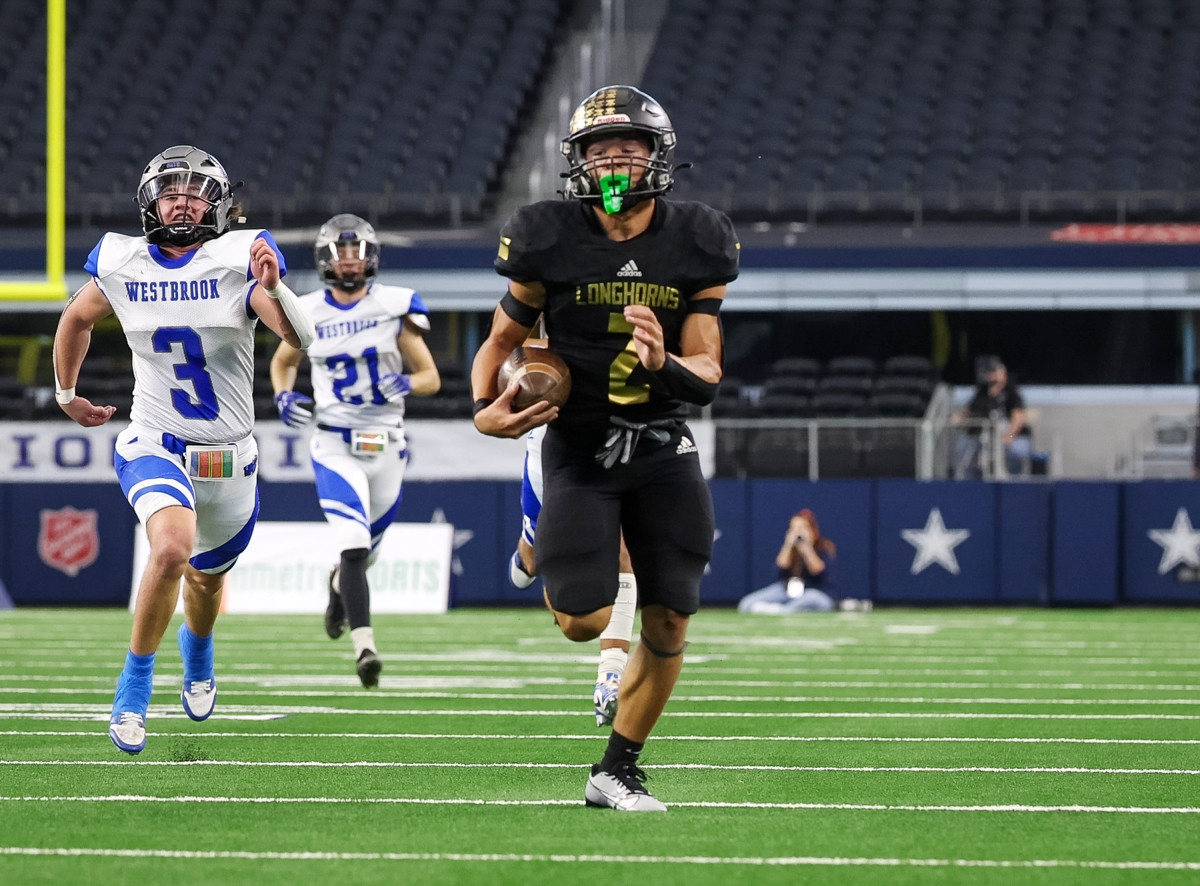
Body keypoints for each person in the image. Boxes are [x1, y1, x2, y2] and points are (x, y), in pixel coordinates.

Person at [471, 85, 739, 811]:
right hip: (579, 444)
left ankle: (617, 767)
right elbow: (499, 342)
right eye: (599, 147)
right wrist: (484, 410)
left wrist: (665, 365)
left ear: (658, 156)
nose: (613, 158)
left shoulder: (698, 238)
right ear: (577, 160)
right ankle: (537, 539)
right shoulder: (545, 234)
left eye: (628, 146)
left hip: (662, 443)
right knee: (583, 617)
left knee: (671, 615)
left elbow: (709, 370)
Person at [52, 145, 316, 754]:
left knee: (206, 582)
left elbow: (298, 337)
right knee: (171, 549)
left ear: (220, 204)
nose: (181, 199)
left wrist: (275, 286)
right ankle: (133, 689)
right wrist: (67, 393)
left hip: (230, 457)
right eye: (170, 189)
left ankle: (197, 652)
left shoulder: (235, 262)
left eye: (195, 190)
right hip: (154, 440)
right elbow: (75, 320)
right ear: (149, 201)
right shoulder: (122, 262)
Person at [269, 213, 440, 687]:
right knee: (354, 544)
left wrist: (404, 380)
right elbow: (283, 362)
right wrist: (283, 394)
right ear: (326, 260)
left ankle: (335, 587)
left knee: (365, 555)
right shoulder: (305, 310)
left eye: (356, 254)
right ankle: (365, 648)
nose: (348, 263)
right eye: (340, 254)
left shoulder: (394, 305)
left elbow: (430, 378)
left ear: (370, 259)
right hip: (334, 441)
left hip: (387, 444)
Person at [510, 422, 637, 726]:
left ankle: (610, 677)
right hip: (558, 448)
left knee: (623, 547)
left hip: (621, 439)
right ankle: (525, 553)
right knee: (539, 566)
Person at [737, 509, 867, 613]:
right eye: (794, 528)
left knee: (814, 599)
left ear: (812, 530)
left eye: (802, 528)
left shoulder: (823, 547)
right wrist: (788, 545)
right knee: (746, 604)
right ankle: (776, 609)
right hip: (787, 591)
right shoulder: (790, 549)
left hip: (814, 592)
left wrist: (807, 549)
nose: (798, 532)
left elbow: (818, 572)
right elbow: (779, 570)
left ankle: (780, 610)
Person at [952, 356, 1032, 479]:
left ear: (1003, 372)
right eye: (990, 371)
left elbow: (1018, 419)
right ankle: (965, 482)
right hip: (984, 435)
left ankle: (1016, 483)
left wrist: (1009, 436)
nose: (992, 375)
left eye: (995, 371)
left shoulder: (1011, 393)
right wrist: (960, 418)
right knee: (963, 446)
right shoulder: (982, 393)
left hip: (1008, 435)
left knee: (1016, 452)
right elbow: (969, 411)